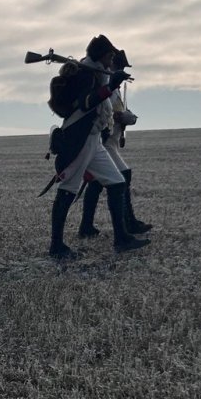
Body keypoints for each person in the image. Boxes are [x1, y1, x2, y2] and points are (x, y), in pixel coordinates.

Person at [45, 37, 147, 259]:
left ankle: (122, 238)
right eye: (110, 56)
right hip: (79, 139)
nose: (112, 61)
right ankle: (56, 246)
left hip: (94, 140)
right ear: (102, 56)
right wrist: (110, 86)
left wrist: (110, 85)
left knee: (117, 182)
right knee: (67, 191)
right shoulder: (86, 74)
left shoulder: (96, 74)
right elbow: (86, 103)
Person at [77, 39, 152, 241]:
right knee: (122, 177)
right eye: (118, 65)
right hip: (103, 141)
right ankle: (126, 225)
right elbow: (100, 108)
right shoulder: (103, 84)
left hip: (109, 141)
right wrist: (118, 117)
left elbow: (121, 110)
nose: (121, 69)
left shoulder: (114, 87)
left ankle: (88, 225)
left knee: (97, 184)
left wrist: (129, 117)